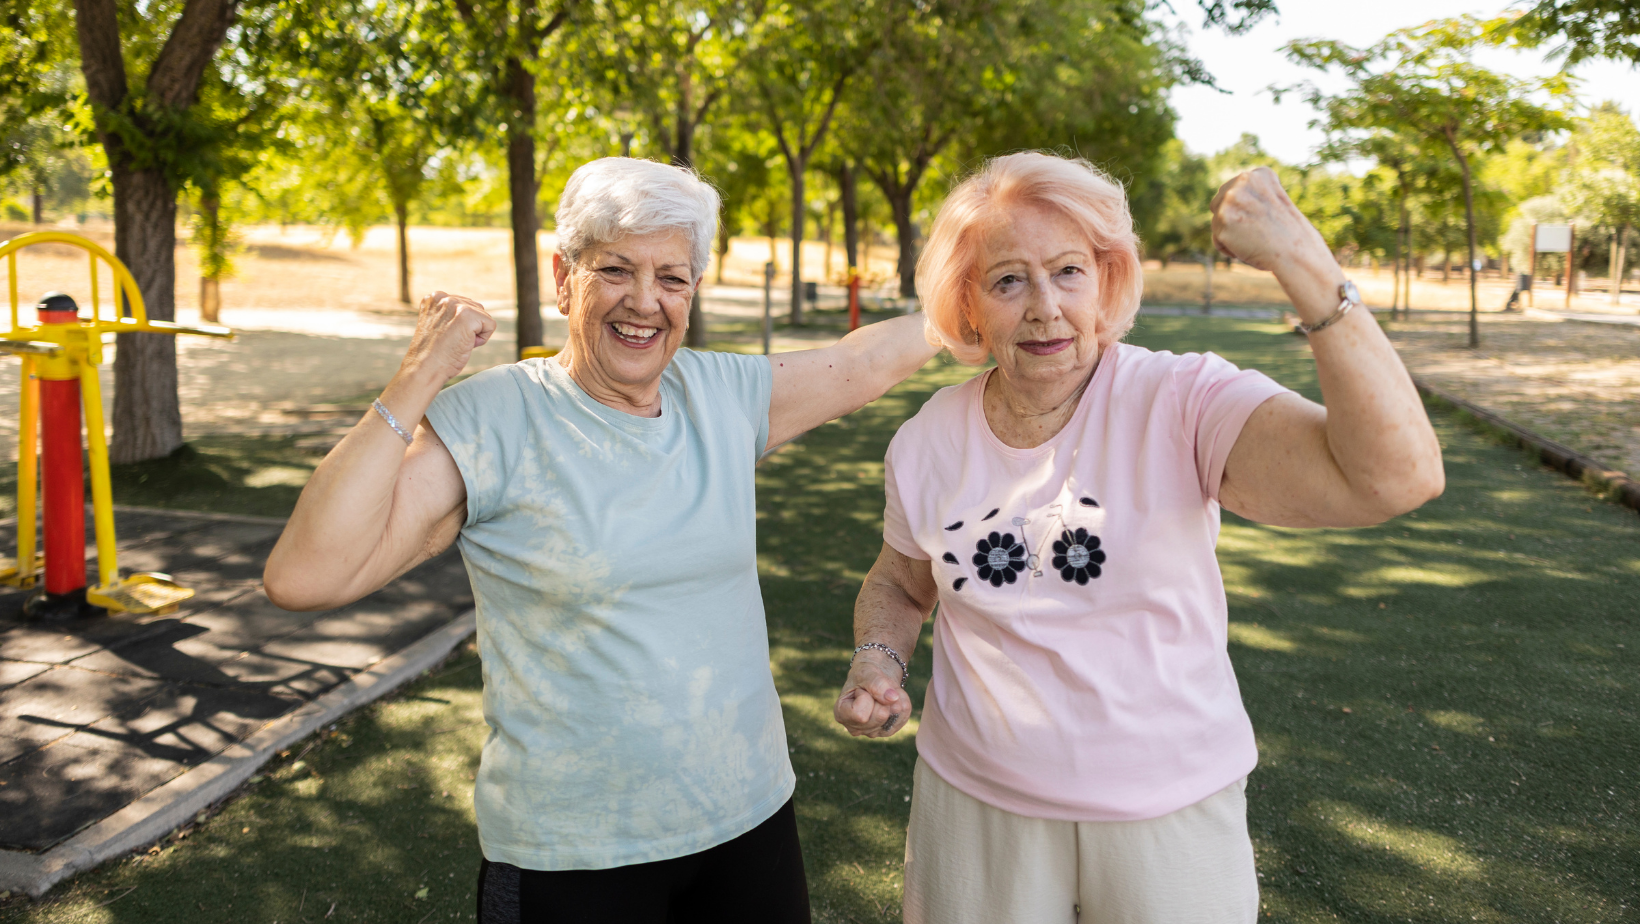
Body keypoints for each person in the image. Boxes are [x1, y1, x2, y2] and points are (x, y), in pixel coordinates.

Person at [264, 156, 940, 924]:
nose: (645, 302)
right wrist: (418, 376)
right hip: (575, 858)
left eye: (673, 278)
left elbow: (860, 365)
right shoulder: (495, 420)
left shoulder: (718, 394)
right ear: (563, 275)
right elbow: (305, 576)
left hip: (749, 822)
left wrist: (971, 304)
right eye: (615, 269)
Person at [832, 152, 1444, 924]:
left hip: (1169, 812)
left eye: (1068, 271)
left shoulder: (1183, 399)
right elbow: (900, 580)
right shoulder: (927, 438)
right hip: (974, 807)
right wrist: (876, 659)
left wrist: (1303, 260)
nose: (1045, 307)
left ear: (1109, 279)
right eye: (1009, 280)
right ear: (969, 303)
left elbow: (1398, 476)